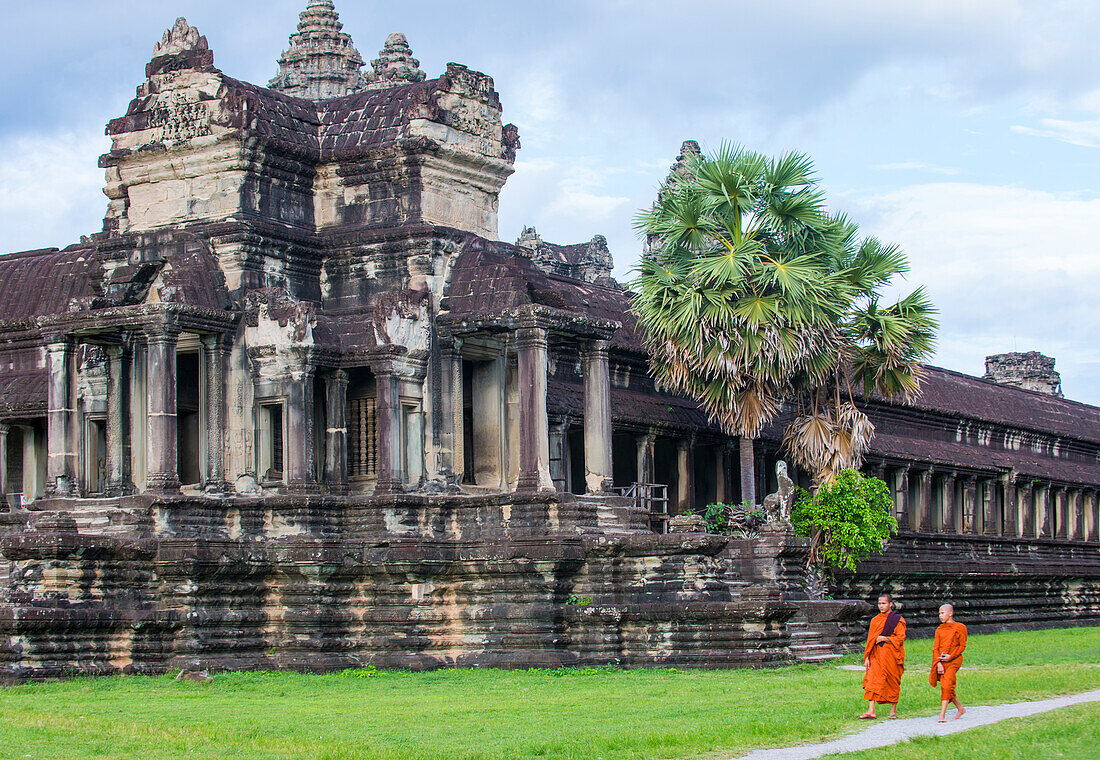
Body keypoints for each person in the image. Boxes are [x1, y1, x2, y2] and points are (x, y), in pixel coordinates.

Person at [860, 593, 906, 719]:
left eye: (884, 603)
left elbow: (900, 638)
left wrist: (885, 638)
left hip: (891, 655)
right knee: (871, 680)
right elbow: (870, 640)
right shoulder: (875, 620)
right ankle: (871, 711)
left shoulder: (897, 619)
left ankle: (893, 711)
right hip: (876, 655)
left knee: (892, 681)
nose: (881, 606)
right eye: (879, 603)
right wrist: (867, 657)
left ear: (890, 604)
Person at [930, 603, 968, 722]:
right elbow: (936, 648)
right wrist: (938, 663)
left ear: (950, 613)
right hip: (941, 661)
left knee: (946, 684)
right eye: (939, 614)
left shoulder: (960, 627)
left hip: (954, 660)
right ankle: (960, 709)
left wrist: (951, 656)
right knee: (948, 685)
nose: (940, 616)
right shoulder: (939, 629)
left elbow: (962, 645)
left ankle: (942, 714)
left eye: (942, 613)